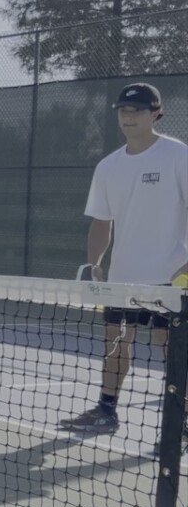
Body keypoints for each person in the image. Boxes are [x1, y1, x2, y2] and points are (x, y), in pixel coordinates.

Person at [60, 82, 188, 435]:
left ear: (156, 112)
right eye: (123, 111)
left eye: (137, 111)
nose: (128, 117)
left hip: (171, 279)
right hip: (122, 279)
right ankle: (105, 410)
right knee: (115, 343)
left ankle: (185, 418)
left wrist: (186, 267)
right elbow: (102, 222)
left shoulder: (178, 155)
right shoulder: (107, 167)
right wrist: (95, 263)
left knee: (170, 349)